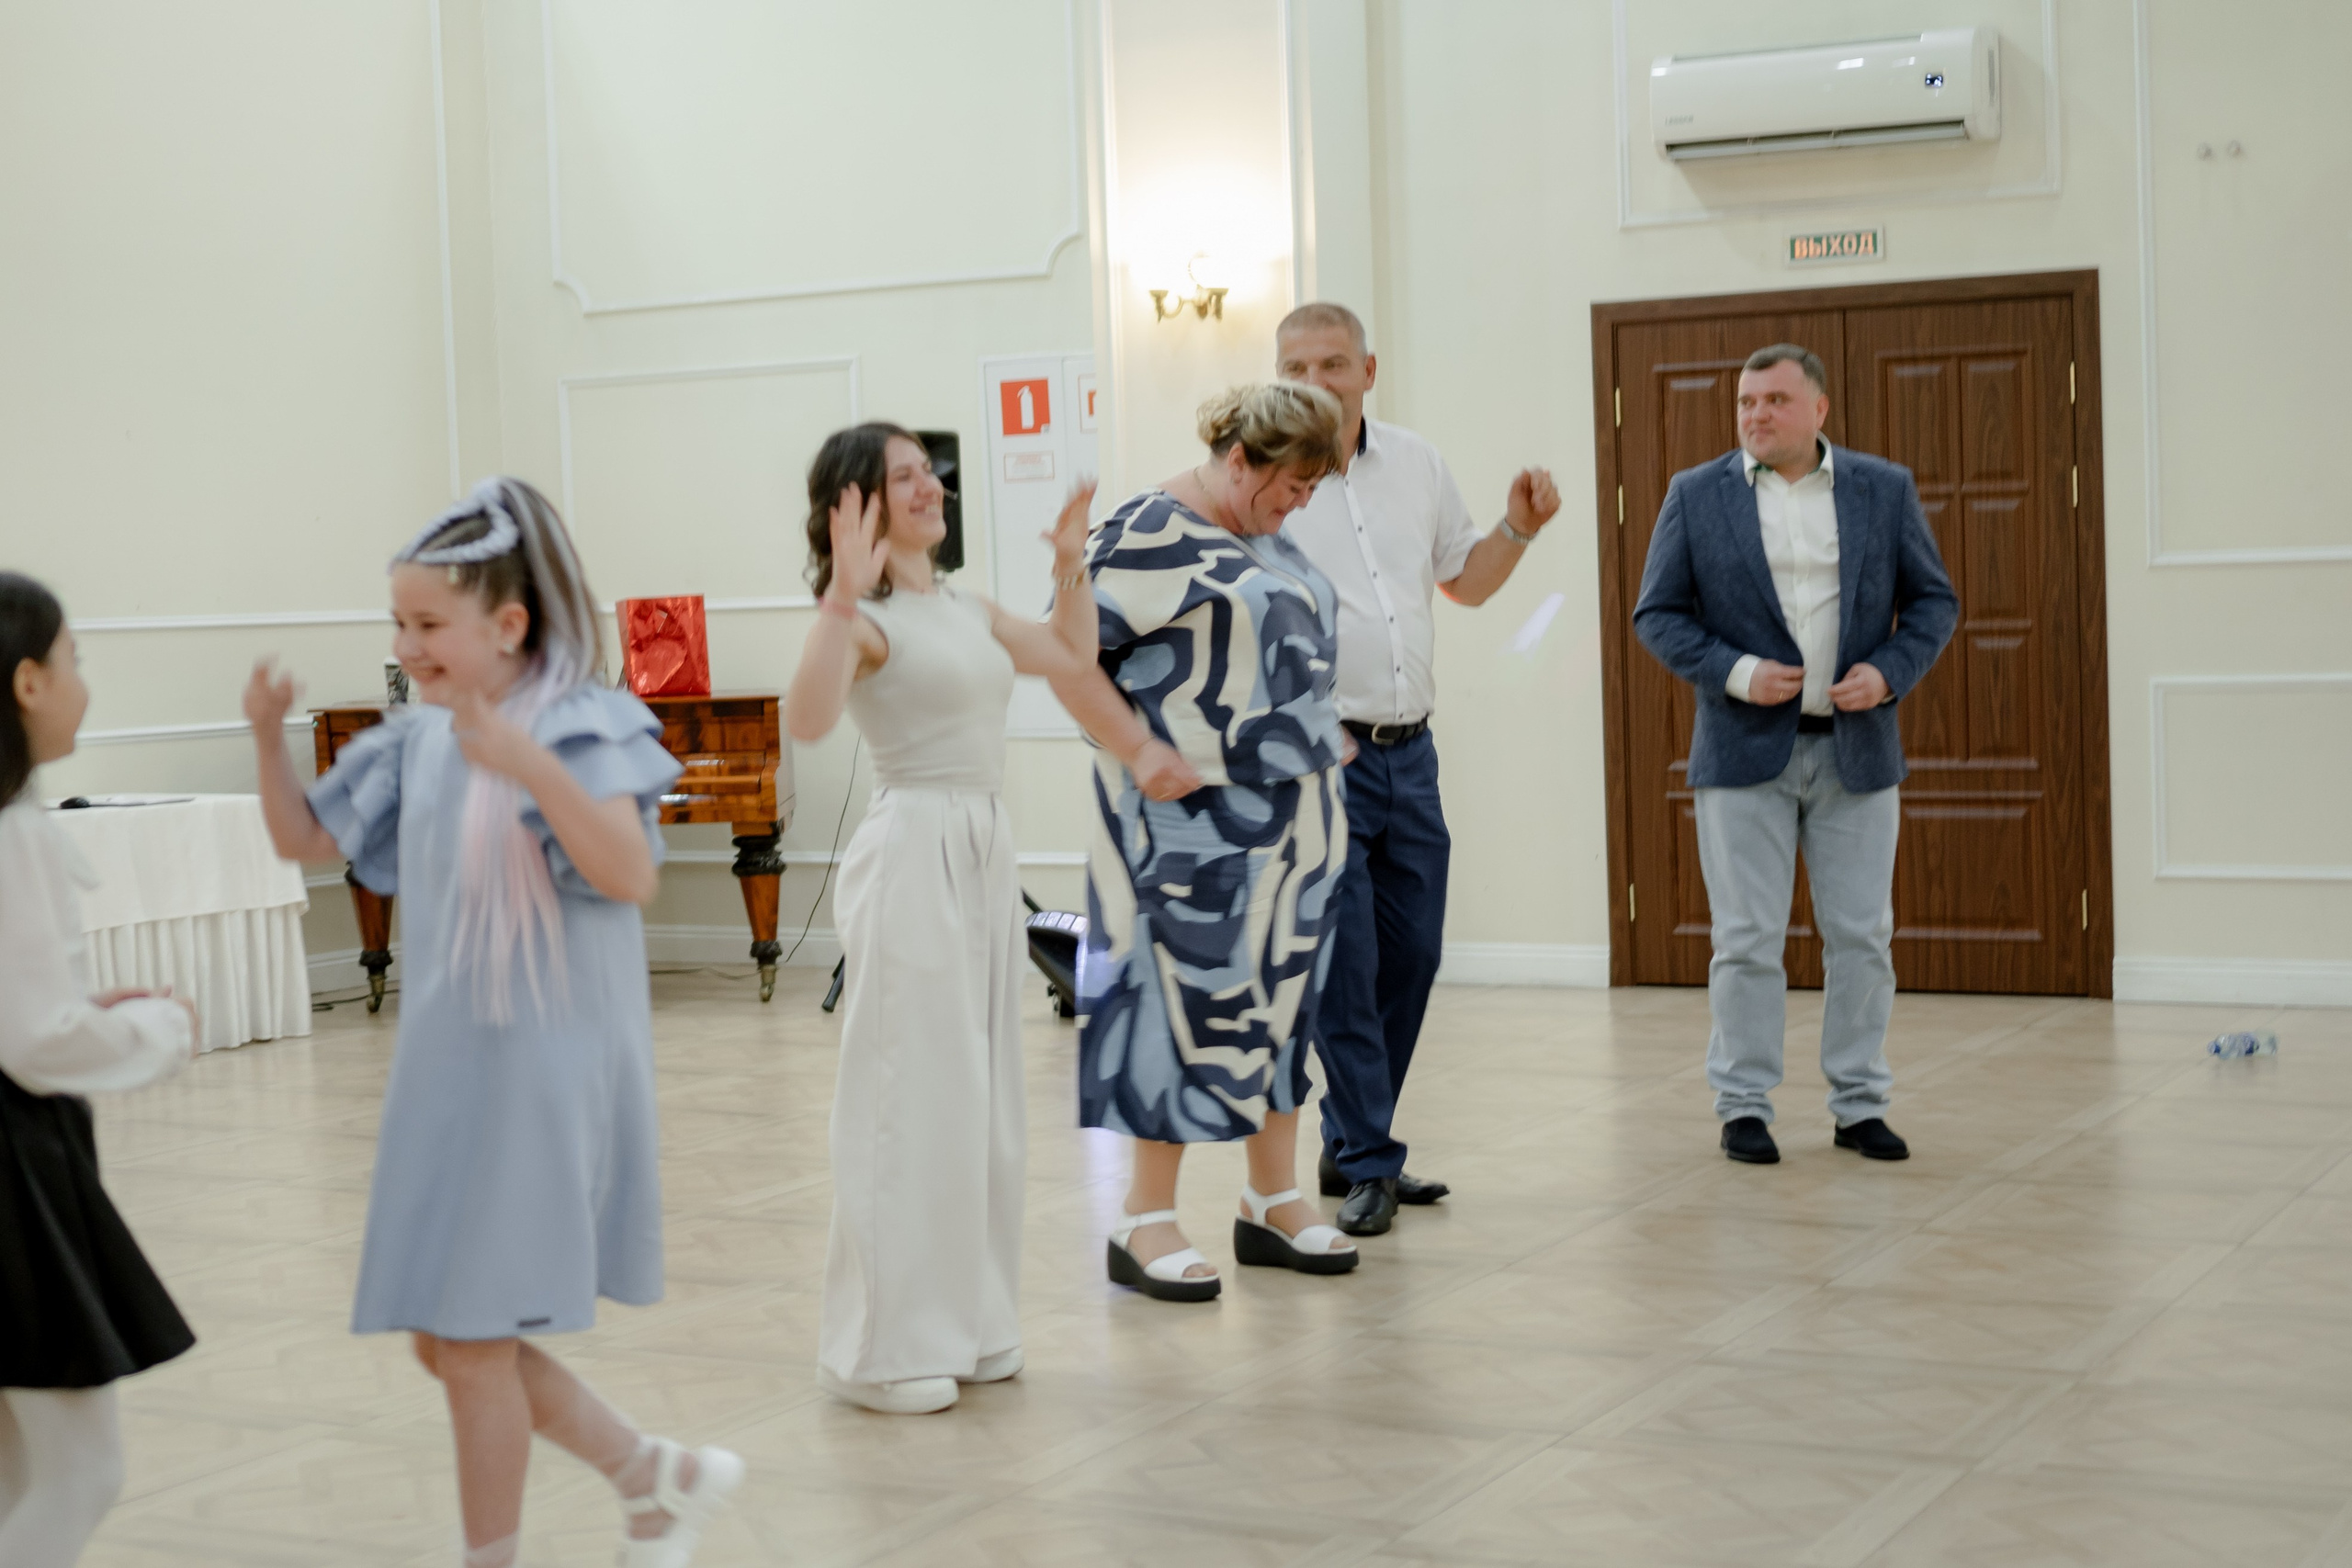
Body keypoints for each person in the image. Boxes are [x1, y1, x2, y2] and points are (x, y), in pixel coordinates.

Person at [243, 479, 742, 1568]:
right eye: (399, 624)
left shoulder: (578, 725)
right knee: (445, 1338)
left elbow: (625, 873)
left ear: (507, 625)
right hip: (450, 1066)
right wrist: (267, 740)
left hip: (541, 1067)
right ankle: (654, 1478)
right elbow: (304, 840)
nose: (407, 646)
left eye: (428, 625)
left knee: (470, 1343)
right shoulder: (419, 744)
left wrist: (526, 768)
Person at [784, 424, 1198, 1412]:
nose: (931, 484)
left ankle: (970, 1325)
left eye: (930, 470)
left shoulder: (962, 607)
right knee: (905, 1100)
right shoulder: (868, 621)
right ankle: (881, 1351)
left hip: (978, 849)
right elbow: (804, 720)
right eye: (906, 475)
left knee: (978, 1098)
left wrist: (1068, 564)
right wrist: (841, 591)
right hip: (912, 850)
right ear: (858, 507)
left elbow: (1066, 655)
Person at [1275, 301, 1563, 1235]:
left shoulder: (1416, 463)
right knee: (1343, 966)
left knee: (1413, 956)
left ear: (1368, 369)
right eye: (1295, 366)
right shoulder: (1265, 481)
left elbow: (1465, 584)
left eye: (1330, 364)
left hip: (1410, 754)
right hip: (1320, 760)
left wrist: (1516, 529)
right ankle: (1367, 1159)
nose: (1314, 381)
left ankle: (1350, 1134)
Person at [1632, 344, 1958, 1165]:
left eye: (1775, 400)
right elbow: (1657, 614)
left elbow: (1934, 602)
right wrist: (1738, 673)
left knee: (1862, 937)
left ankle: (1859, 1104)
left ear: (1819, 409)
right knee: (1745, 939)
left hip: (1857, 753)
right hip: (1743, 757)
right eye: (1745, 402)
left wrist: (1888, 673)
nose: (1755, 416)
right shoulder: (1695, 494)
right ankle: (1743, 1106)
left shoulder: (1883, 489)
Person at [1080, 381, 1364, 1302]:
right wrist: (1141, 752)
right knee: (1174, 1008)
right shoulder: (1146, 533)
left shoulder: (1263, 533)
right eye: (1290, 483)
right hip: (1185, 827)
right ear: (1237, 458)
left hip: (1297, 824)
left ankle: (1272, 1198)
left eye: (1314, 488)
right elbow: (1071, 660)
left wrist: (1314, 725)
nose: (1300, 503)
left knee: (1281, 1008)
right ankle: (1142, 1218)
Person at [0, 572, 200, 1568]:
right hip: (12, 1173)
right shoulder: (13, 833)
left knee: (18, 1475)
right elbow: (34, 1041)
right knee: (79, 1471)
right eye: (75, 662)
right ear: (29, 681)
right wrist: (160, 1028)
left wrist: (89, 1012)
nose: (85, 684)